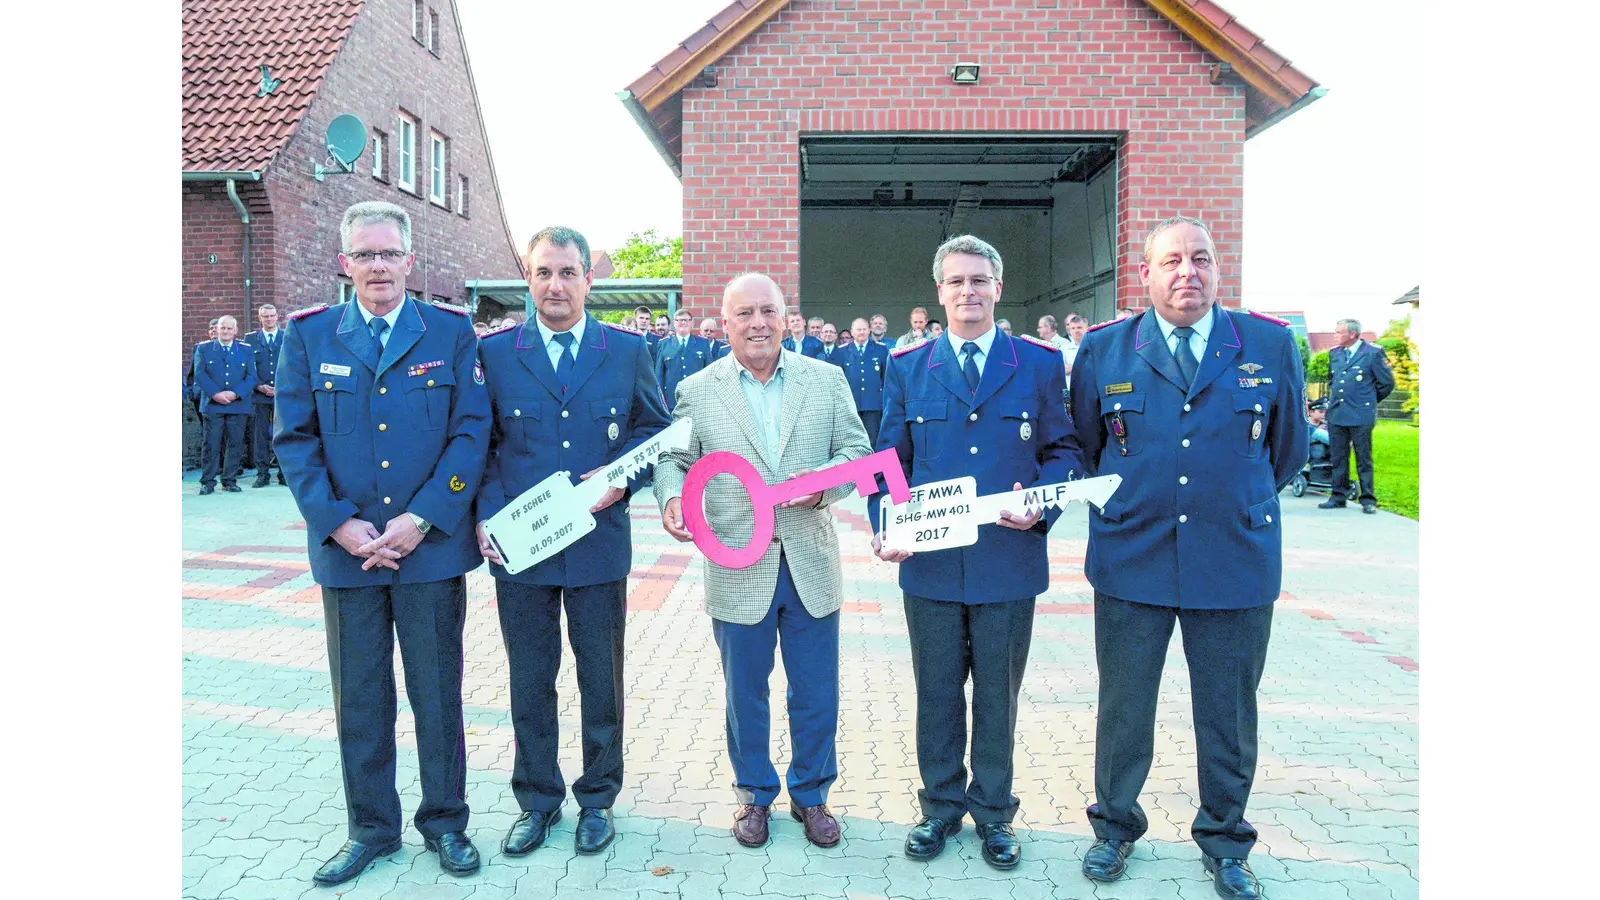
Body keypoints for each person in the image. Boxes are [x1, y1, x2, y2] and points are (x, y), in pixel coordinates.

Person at [1067, 216, 1307, 900]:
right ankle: (1114, 828)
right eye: (1171, 261)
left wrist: (1225, 498)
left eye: (1199, 259)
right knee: (1125, 706)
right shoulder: (1105, 350)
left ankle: (1227, 842)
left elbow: (1285, 452)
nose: (1187, 273)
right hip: (1131, 557)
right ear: (1144, 275)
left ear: (1216, 268)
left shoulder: (1266, 342)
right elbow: (1089, 446)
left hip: (1233, 558)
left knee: (1228, 712)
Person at [274, 200, 491, 885]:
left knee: (437, 694)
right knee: (361, 700)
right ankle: (371, 829)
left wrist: (422, 517)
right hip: (348, 554)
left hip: (427, 550)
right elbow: (295, 443)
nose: (377, 266)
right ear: (344, 264)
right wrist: (339, 523)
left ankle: (445, 823)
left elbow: (470, 432)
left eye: (388, 253)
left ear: (409, 261)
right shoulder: (309, 338)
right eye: (363, 255)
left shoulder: (450, 334)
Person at [869, 235, 1082, 872]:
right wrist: (890, 523)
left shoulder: (1038, 365)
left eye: (980, 280)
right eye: (956, 281)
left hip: (1008, 560)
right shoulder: (908, 366)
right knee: (937, 693)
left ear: (998, 288)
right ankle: (938, 807)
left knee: (997, 697)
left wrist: (1043, 505)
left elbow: (1065, 451)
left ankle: (993, 814)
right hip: (931, 567)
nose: (968, 291)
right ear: (939, 292)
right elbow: (890, 463)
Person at [655, 272, 870, 851]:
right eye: (744, 314)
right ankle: (754, 794)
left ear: (785, 317)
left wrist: (823, 487)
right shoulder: (698, 389)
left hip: (810, 564)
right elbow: (673, 459)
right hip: (735, 562)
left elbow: (857, 454)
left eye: (767, 312)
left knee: (816, 689)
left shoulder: (826, 380)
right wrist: (674, 498)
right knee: (743, 691)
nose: (757, 323)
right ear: (724, 323)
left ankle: (812, 794)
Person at [474, 226, 670, 859]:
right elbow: (483, 444)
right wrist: (484, 515)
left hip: (597, 545)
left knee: (599, 679)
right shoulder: (498, 353)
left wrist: (624, 482)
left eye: (567, 273)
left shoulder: (626, 350)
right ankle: (537, 800)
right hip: (522, 548)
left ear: (590, 279)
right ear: (527, 280)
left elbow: (654, 432)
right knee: (531, 679)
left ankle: (597, 799)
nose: (555, 285)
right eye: (543, 273)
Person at [1319, 317, 1394, 514]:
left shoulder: (1373, 353)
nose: (1335, 335)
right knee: (1338, 457)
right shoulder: (1335, 354)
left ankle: (1368, 499)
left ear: (1352, 334)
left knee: (1363, 457)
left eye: (1338, 332)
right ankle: (1338, 495)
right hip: (1338, 413)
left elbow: (1387, 383)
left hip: (1361, 415)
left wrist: (1367, 401)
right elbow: (1332, 380)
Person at [194, 315, 257, 495]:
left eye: (230, 328)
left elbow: (252, 376)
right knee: (211, 445)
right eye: (223, 328)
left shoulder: (246, 350)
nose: (226, 331)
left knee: (235, 443)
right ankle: (207, 482)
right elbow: (200, 374)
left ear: (236, 330)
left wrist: (235, 393)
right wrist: (215, 393)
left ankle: (229, 480)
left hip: (237, 404)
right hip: (213, 405)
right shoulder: (204, 349)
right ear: (217, 329)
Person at [243, 303, 286, 487]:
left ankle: (284, 474)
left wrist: (281, 387)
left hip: (282, 394)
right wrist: (258, 386)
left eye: (272, 315)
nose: (269, 319)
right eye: (265, 316)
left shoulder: (287, 337)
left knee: (283, 434)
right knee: (259, 436)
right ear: (260, 318)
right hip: (259, 395)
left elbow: (291, 365)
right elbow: (246, 367)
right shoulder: (250, 339)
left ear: (277, 316)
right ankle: (262, 474)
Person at [834, 317, 889, 444]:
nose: (861, 332)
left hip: (873, 405)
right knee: (852, 442)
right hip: (851, 405)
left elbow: (885, 378)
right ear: (852, 332)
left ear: (869, 330)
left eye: (864, 329)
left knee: (872, 440)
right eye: (858, 330)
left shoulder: (881, 350)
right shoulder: (842, 351)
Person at [657, 308, 715, 409]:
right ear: (674, 323)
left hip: (697, 397)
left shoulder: (702, 343)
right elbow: (659, 375)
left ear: (691, 323)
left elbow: (710, 371)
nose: (683, 322)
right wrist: (660, 401)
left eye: (686, 320)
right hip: (671, 399)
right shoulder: (664, 344)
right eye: (680, 320)